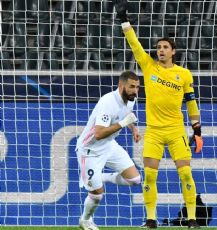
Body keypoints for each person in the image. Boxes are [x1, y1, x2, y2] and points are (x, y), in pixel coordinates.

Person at [113, 0, 203, 228]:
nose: (160, 50)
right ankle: (151, 219)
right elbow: (134, 44)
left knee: (185, 175)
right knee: (150, 176)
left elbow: (191, 103)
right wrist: (124, 19)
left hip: (175, 131)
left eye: (165, 47)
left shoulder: (183, 74)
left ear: (173, 52)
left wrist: (197, 130)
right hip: (153, 131)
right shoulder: (148, 66)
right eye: (158, 47)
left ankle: (192, 218)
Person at [76, 71, 142, 230]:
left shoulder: (130, 99)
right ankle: (85, 220)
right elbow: (98, 134)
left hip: (109, 145)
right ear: (121, 86)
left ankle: (102, 176)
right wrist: (124, 123)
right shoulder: (107, 102)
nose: (135, 91)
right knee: (97, 195)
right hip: (89, 150)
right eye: (131, 87)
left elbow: (126, 115)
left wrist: (133, 128)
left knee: (135, 180)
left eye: (138, 87)